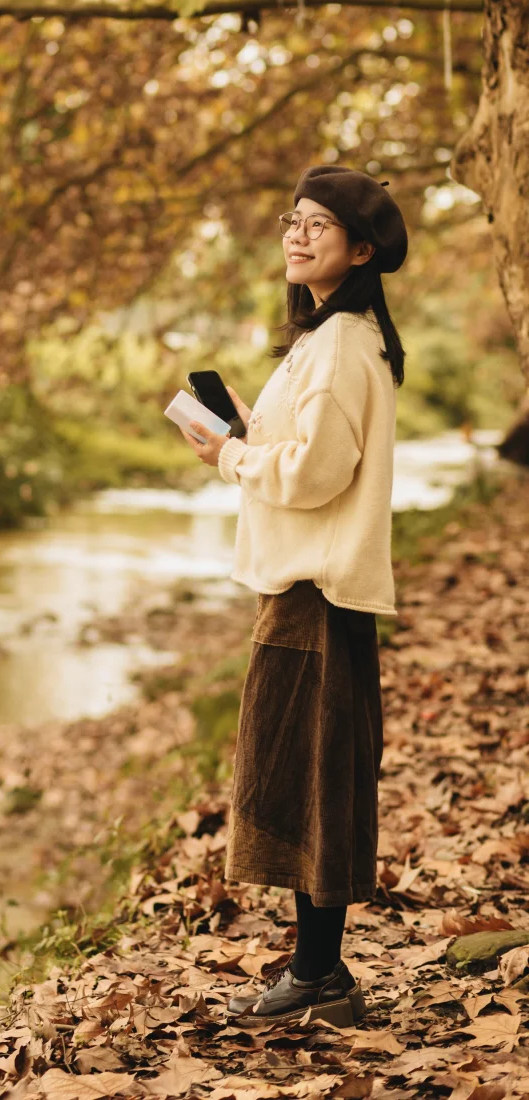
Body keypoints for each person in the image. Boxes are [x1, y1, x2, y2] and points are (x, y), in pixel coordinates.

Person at [184, 164, 407, 1028]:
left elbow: (316, 473)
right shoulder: (323, 339)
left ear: (362, 249)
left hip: (318, 589)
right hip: (306, 586)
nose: (298, 233)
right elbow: (303, 449)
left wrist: (234, 459)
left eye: (321, 226)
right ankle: (316, 968)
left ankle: (321, 975)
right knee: (304, 771)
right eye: (294, 219)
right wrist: (244, 434)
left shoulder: (346, 340)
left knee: (317, 775)